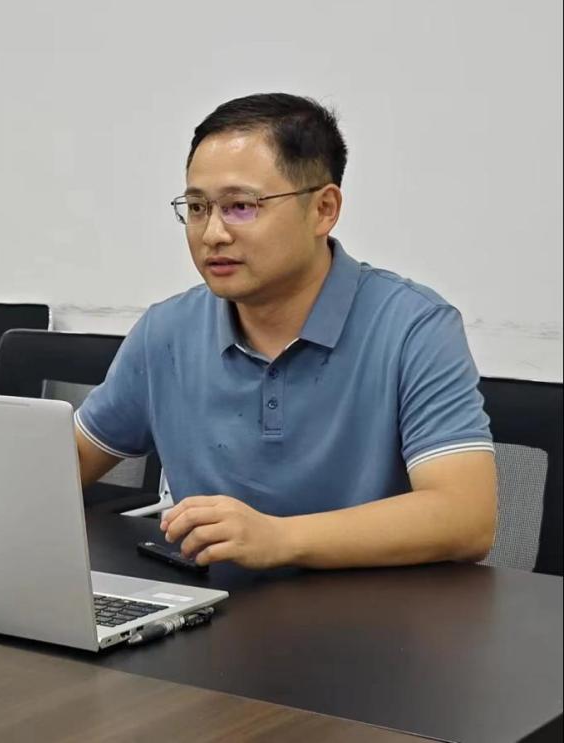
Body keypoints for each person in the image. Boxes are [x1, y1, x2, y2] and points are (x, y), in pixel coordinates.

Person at [74, 93, 496, 570]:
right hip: (208, 605)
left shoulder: (412, 327)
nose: (212, 233)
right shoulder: (167, 331)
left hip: (371, 609)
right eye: (196, 207)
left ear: (323, 209)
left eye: (240, 206)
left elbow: (465, 517)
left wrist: (280, 538)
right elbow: (65, 465)